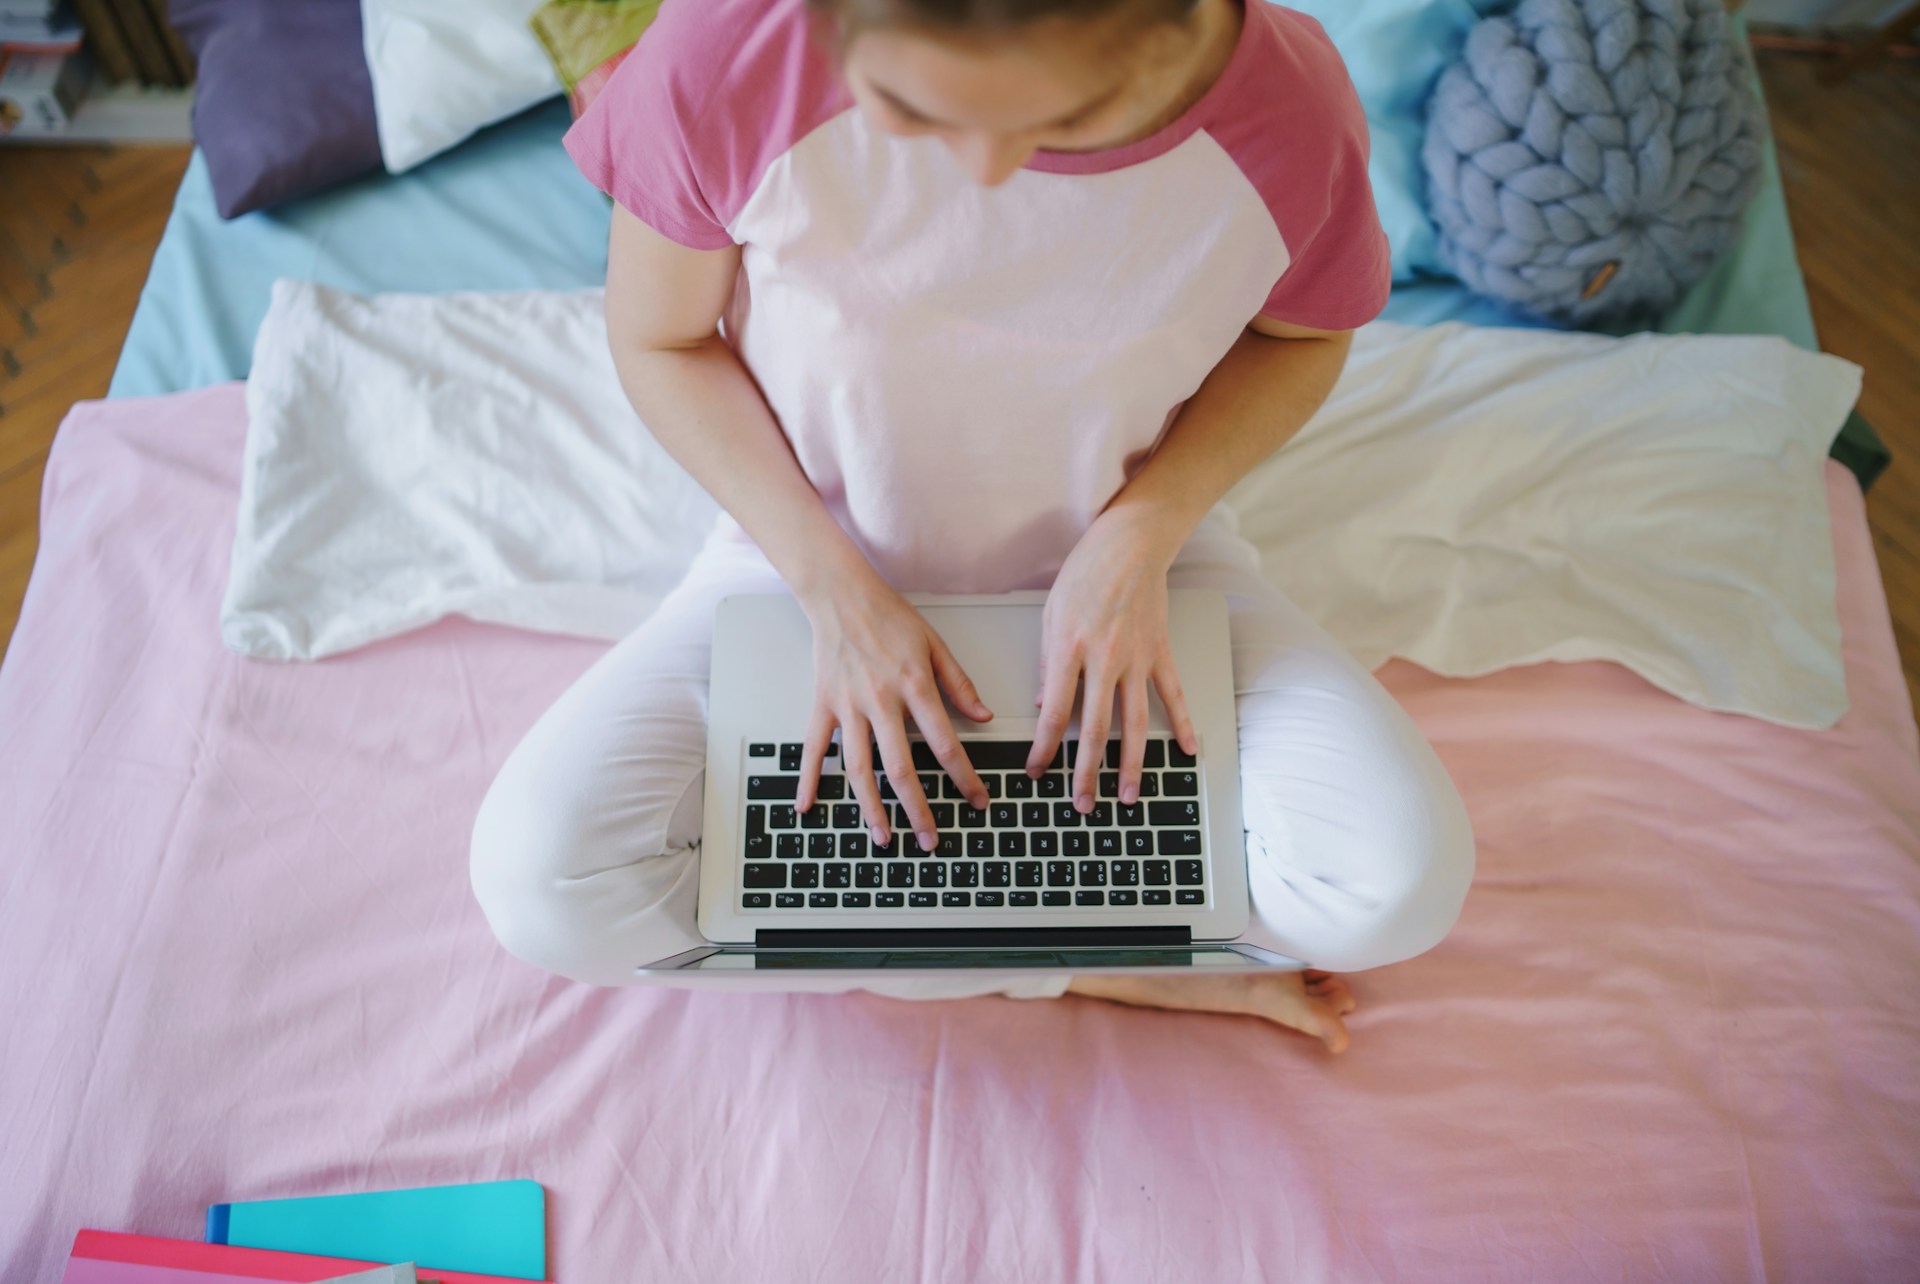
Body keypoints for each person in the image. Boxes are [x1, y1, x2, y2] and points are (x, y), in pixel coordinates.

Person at [470, 0, 1475, 1053]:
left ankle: (1014, 945)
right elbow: (662, 341)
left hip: (1141, 555)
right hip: (806, 556)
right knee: (543, 888)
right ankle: (1091, 959)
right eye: (911, 105)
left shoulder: (1289, 105)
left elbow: (1300, 340)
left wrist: (1141, 533)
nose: (989, 175)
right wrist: (835, 594)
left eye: (1068, 117)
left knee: (1395, 889)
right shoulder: (730, 48)